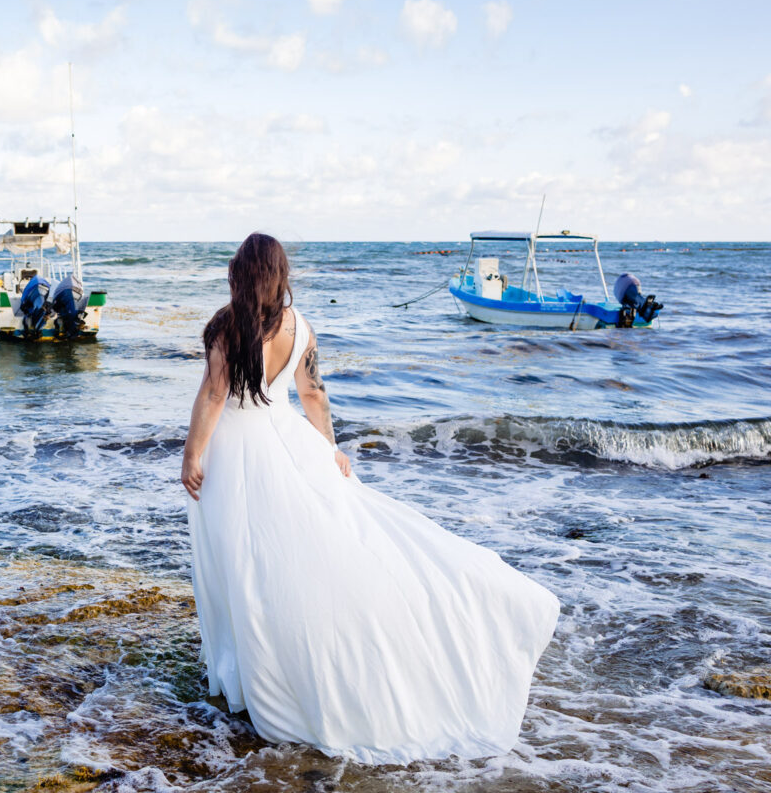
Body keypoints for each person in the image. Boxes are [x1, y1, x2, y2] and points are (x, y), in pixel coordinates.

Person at [181, 233, 560, 765]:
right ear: (280, 273)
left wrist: (192, 453)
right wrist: (328, 449)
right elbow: (313, 394)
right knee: (291, 562)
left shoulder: (227, 326)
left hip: (235, 451)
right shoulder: (299, 326)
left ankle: (247, 674)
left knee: (240, 564)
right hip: (286, 440)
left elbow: (215, 394)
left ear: (240, 272)